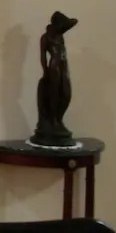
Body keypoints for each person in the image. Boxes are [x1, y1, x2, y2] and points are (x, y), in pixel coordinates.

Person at [31, 11, 78, 147]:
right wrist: (45, 71)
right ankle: (53, 120)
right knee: (54, 94)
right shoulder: (45, 37)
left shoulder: (60, 36)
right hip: (54, 67)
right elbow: (43, 56)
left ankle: (59, 119)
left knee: (66, 93)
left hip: (64, 66)